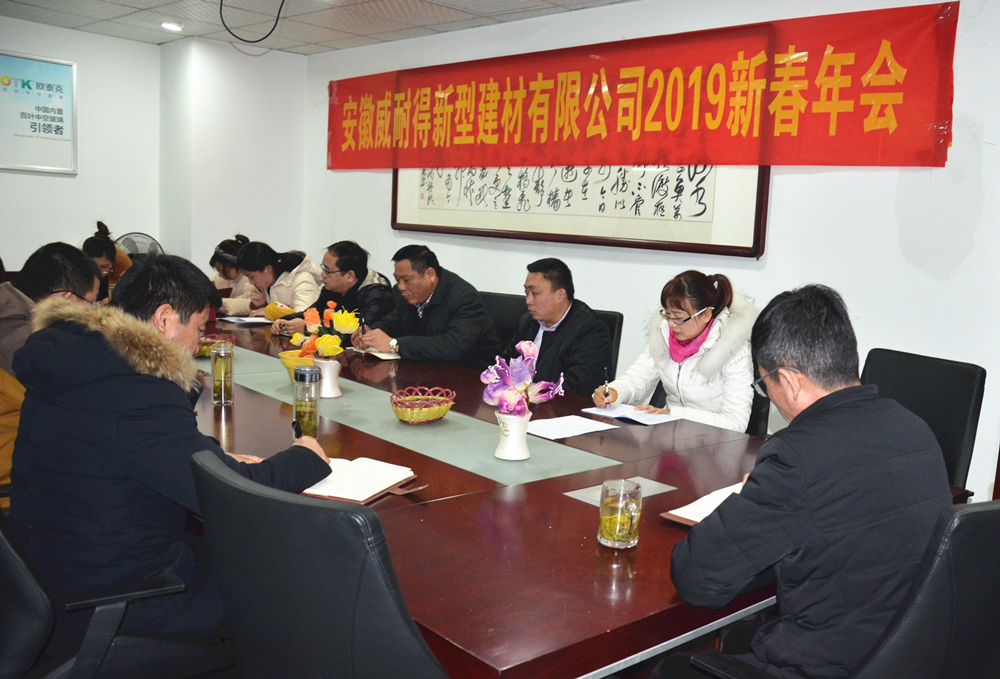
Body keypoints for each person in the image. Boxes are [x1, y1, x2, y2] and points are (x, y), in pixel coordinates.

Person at [9, 254, 332, 652]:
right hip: (116, 601)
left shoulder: (78, 359)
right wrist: (305, 456)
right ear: (164, 319)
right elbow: (230, 496)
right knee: (294, 581)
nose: (197, 343)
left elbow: (132, 449)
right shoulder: (136, 391)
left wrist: (215, 460)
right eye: (197, 328)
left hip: (48, 576)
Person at [659, 285, 952, 679]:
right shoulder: (915, 428)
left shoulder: (796, 457)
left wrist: (750, 494)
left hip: (830, 665)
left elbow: (697, 577)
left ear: (790, 380)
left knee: (668, 670)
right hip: (909, 657)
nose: (770, 395)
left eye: (765, 383)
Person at [1, 244, 102, 510]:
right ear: (66, 299)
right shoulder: (35, 344)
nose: (94, 312)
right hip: (20, 494)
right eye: (92, 303)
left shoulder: (8, 317)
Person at [593, 270, 756, 432]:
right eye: (668, 315)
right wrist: (614, 392)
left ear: (706, 314)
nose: (671, 324)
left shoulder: (733, 350)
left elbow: (736, 423)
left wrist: (672, 414)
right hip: (671, 435)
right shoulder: (663, 337)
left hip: (715, 441)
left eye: (679, 318)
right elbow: (637, 379)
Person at [351, 244, 500, 369]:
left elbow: (454, 347)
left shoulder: (464, 298)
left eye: (406, 280)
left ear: (430, 275)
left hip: (471, 376)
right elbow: (393, 322)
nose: (401, 287)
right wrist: (368, 333)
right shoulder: (410, 294)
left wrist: (394, 344)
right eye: (397, 280)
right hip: (425, 371)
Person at [502, 258, 609, 395]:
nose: (528, 301)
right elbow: (505, 367)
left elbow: (576, 388)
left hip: (562, 406)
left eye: (535, 293)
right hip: (521, 403)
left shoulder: (591, 330)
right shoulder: (527, 321)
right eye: (526, 293)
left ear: (560, 295)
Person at [272, 240, 393, 336]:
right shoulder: (333, 288)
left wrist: (307, 327)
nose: (322, 275)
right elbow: (312, 313)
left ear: (349, 276)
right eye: (323, 268)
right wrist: (285, 321)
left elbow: (357, 330)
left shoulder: (378, 295)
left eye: (328, 271)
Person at [236, 241, 321, 316]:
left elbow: (304, 317)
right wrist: (262, 305)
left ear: (268, 268)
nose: (251, 282)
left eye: (251, 277)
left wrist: (269, 311)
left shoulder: (302, 279)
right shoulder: (270, 284)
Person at [82, 221, 131, 303]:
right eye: (93, 266)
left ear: (113, 264)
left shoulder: (119, 275)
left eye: (104, 267)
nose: (97, 272)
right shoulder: (74, 279)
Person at [209, 234, 256, 316]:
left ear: (238, 266)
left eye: (224, 271)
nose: (220, 275)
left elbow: (252, 304)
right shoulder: (218, 279)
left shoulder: (253, 281)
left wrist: (221, 304)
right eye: (218, 271)